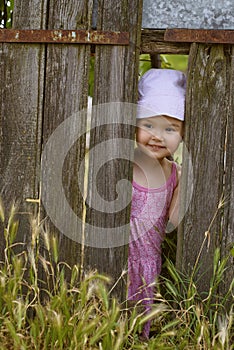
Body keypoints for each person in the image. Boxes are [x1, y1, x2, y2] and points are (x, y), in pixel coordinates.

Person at [128, 68, 186, 339]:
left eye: (170, 129)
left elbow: (174, 220)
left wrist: (186, 182)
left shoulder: (174, 175)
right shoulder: (124, 166)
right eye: (148, 125)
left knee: (138, 331)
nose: (157, 136)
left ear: (183, 134)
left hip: (150, 265)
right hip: (118, 261)